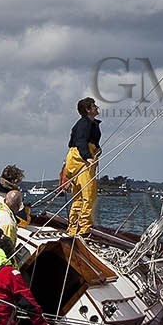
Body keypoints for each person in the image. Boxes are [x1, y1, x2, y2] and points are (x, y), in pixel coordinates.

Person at [60, 98, 101, 237]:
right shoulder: (85, 123)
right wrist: (87, 156)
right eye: (94, 106)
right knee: (88, 195)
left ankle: (73, 228)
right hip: (81, 159)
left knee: (78, 196)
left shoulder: (86, 123)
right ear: (88, 110)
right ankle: (84, 229)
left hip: (74, 159)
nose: (97, 107)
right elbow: (81, 140)